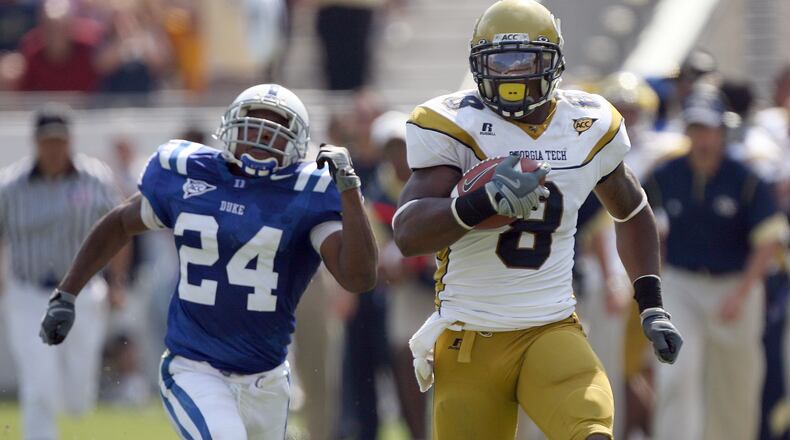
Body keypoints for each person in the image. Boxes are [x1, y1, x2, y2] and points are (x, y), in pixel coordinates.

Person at [391, 1, 683, 439]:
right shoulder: (453, 123)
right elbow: (408, 232)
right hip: (469, 336)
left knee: (591, 428)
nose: (512, 74)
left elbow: (633, 210)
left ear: (554, 63)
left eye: (525, 59)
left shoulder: (585, 122)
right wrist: (479, 204)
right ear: (477, 65)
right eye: (499, 61)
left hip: (550, 326)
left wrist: (652, 304)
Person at [38, 84, 379, 439]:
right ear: (230, 127)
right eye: (253, 126)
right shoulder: (190, 175)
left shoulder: (307, 193)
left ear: (294, 143)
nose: (261, 138)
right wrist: (67, 293)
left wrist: (349, 190)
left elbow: (359, 278)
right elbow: (120, 223)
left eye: (273, 130)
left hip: (268, 378)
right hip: (195, 368)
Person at [645, 85, 790, 440]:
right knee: (676, 373)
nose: (702, 137)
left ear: (723, 129)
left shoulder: (746, 178)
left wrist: (741, 294)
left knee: (735, 386)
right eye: (694, 127)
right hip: (680, 283)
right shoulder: (666, 175)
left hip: (736, 284)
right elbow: (644, 227)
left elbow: (768, 241)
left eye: (708, 128)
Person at [0, 103, 124, 440]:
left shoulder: (95, 178)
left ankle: (73, 403)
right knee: (38, 379)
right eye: (47, 141)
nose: (53, 149)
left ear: (71, 141)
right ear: (35, 142)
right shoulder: (10, 186)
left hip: (81, 292)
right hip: (28, 292)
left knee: (77, 394)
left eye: (59, 141)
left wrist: (117, 284)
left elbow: (119, 232)